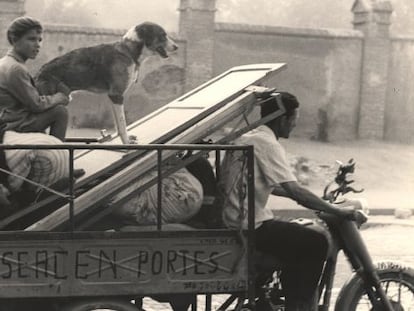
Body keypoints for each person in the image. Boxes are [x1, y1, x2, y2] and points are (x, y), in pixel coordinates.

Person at [218, 92, 363, 311]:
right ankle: (300, 306)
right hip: (252, 225)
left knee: (296, 237)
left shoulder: (250, 138)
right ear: (281, 119)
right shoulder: (267, 143)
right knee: (316, 242)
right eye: (293, 119)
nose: (294, 124)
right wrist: (336, 210)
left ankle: (280, 297)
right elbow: (295, 190)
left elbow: (273, 185)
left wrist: (317, 200)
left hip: (238, 219)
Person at [0, 16, 69, 141]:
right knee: (60, 112)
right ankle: (57, 155)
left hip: (10, 121)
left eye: (39, 40)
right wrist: (59, 97)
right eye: (31, 39)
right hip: (13, 125)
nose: (37, 45)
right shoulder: (15, 68)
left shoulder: (6, 62)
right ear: (15, 39)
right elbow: (36, 105)